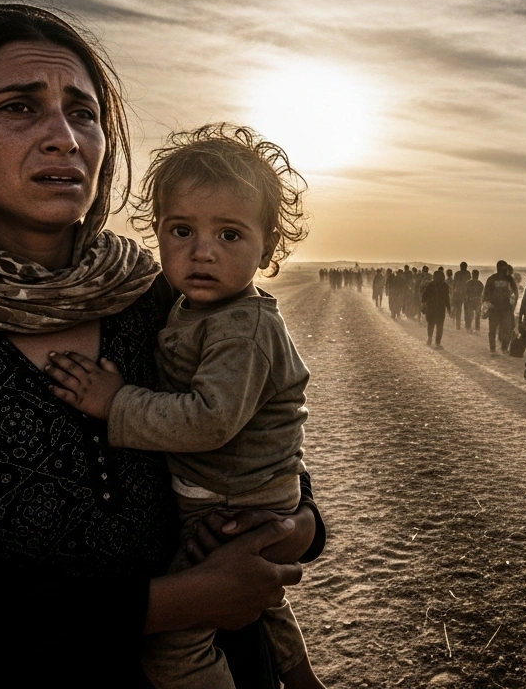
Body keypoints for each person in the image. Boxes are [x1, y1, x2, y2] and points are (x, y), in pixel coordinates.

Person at [0, 5, 323, 686]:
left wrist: (291, 533)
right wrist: (186, 600)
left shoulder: (160, 297)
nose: (64, 138)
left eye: (83, 112)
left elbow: (270, 466)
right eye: (20, 107)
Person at [43, 124, 324, 688]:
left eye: (229, 235)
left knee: (177, 646)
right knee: (261, 599)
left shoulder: (239, 326)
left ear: (267, 247)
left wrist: (115, 402)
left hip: (228, 501)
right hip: (234, 493)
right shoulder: (188, 306)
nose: (202, 252)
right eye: (181, 230)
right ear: (157, 232)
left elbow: (210, 419)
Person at [484, 260, 518, 354]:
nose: (503, 270)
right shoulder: (492, 278)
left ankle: (503, 348)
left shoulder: (509, 279)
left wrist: (513, 306)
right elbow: (485, 294)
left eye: (504, 268)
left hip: (506, 308)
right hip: (495, 307)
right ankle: (493, 349)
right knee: (493, 329)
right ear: (498, 268)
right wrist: (486, 306)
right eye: (502, 268)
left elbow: (515, 292)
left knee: (509, 327)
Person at [422, 268, 453, 347]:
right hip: (440, 310)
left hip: (431, 308)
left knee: (430, 324)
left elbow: (424, 296)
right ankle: (437, 343)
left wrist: (423, 303)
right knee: (440, 326)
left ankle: (429, 338)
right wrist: (449, 309)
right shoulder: (445, 286)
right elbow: (447, 299)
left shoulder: (430, 284)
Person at [451, 262, 469, 330]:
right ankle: (467, 325)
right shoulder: (468, 273)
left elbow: (454, 284)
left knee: (458, 310)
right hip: (465, 293)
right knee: (466, 310)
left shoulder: (457, 273)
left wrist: (453, 293)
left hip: (458, 293)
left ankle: (458, 325)